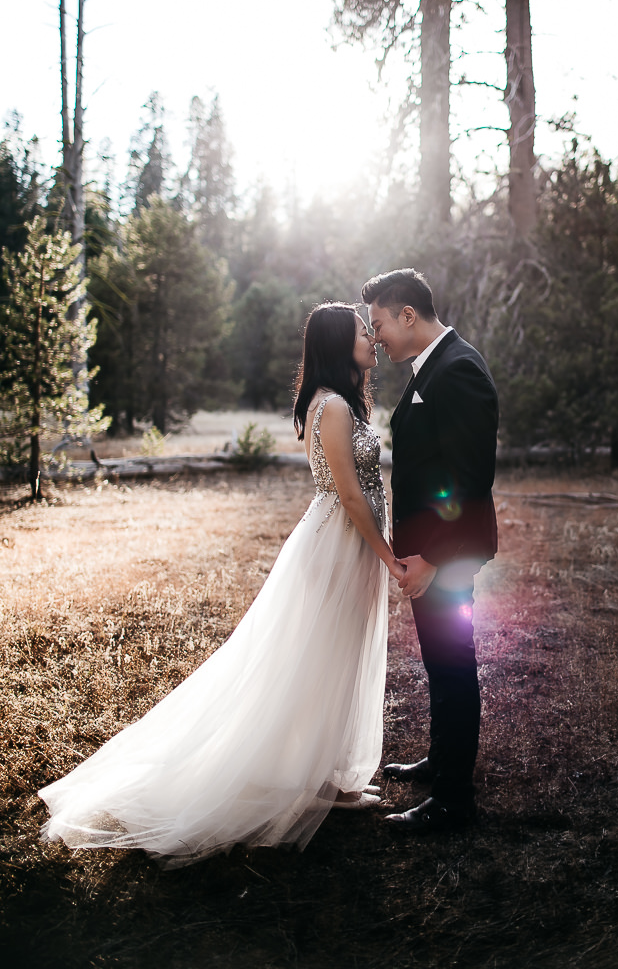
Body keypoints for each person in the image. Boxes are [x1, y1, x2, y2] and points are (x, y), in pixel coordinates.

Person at [38, 303, 405, 866]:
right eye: (362, 332)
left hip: (350, 544)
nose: (372, 338)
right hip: (338, 543)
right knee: (319, 659)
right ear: (338, 344)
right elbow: (351, 495)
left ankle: (332, 778)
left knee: (339, 656)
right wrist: (387, 557)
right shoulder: (330, 406)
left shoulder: (344, 402)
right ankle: (310, 780)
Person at [362, 268, 499, 833]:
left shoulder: (458, 370)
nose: (376, 339)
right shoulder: (430, 367)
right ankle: (442, 761)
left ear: (408, 316)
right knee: (441, 665)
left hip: (446, 554)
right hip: (427, 554)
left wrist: (434, 558)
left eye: (378, 324)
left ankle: (452, 801)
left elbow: (470, 479)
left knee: (452, 666)